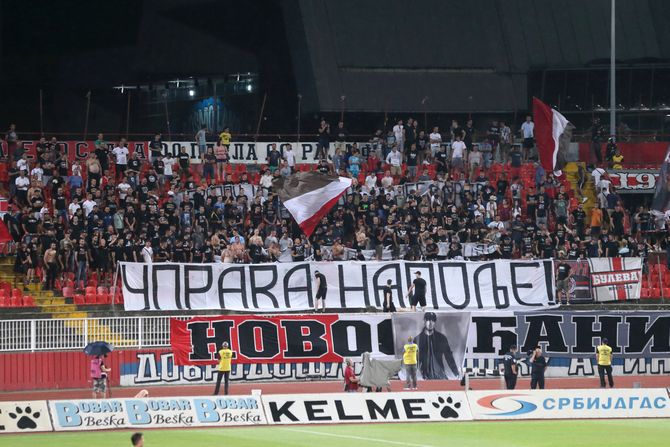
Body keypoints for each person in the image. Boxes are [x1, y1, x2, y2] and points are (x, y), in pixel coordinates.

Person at [413, 312, 459, 379]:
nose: (430, 323)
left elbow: (449, 357)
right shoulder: (418, 339)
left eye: (432, 320)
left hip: (439, 375)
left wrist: (456, 373)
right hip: (423, 376)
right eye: (428, 320)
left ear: (435, 322)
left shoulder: (441, 338)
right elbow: (414, 359)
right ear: (424, 321)